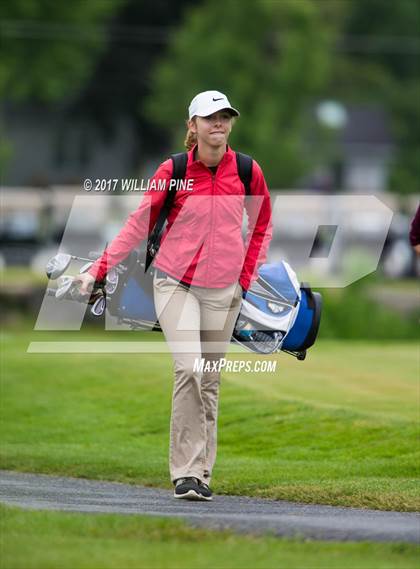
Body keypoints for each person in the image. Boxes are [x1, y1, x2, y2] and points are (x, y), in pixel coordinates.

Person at [75, 90, 273, 501]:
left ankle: (202, 473)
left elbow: (261, 226)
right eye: (209, 117)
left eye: (224, 116)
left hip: (224, 289)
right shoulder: (175, 169)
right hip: (175, 283)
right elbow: (138, 224)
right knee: (189, 368)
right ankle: (184, 471)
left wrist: (245, 279)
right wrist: (99, 268)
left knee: (210, 381)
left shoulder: (249, 170)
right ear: (193, 126)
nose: (218, 123)